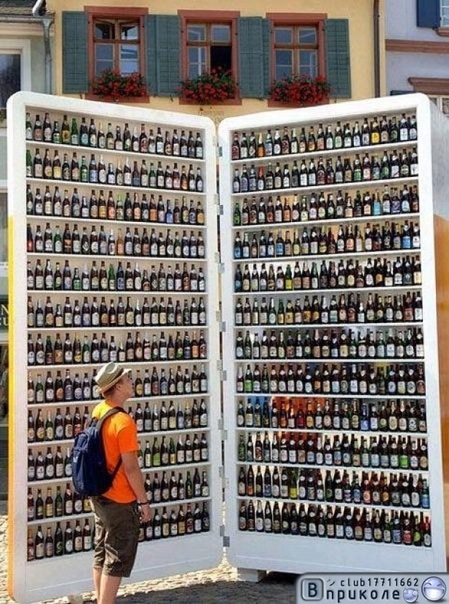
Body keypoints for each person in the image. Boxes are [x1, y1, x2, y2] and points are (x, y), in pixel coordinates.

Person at [90, 362, 151, 604]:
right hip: (120, 498)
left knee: (101, 551)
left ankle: (100, 600)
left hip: (99, 493)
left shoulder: (99, 410)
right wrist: (143, 501)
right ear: (117, 386)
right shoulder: (124, 422)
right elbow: (131, 468)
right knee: (116, 557)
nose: (131, 382)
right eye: (127, 379)